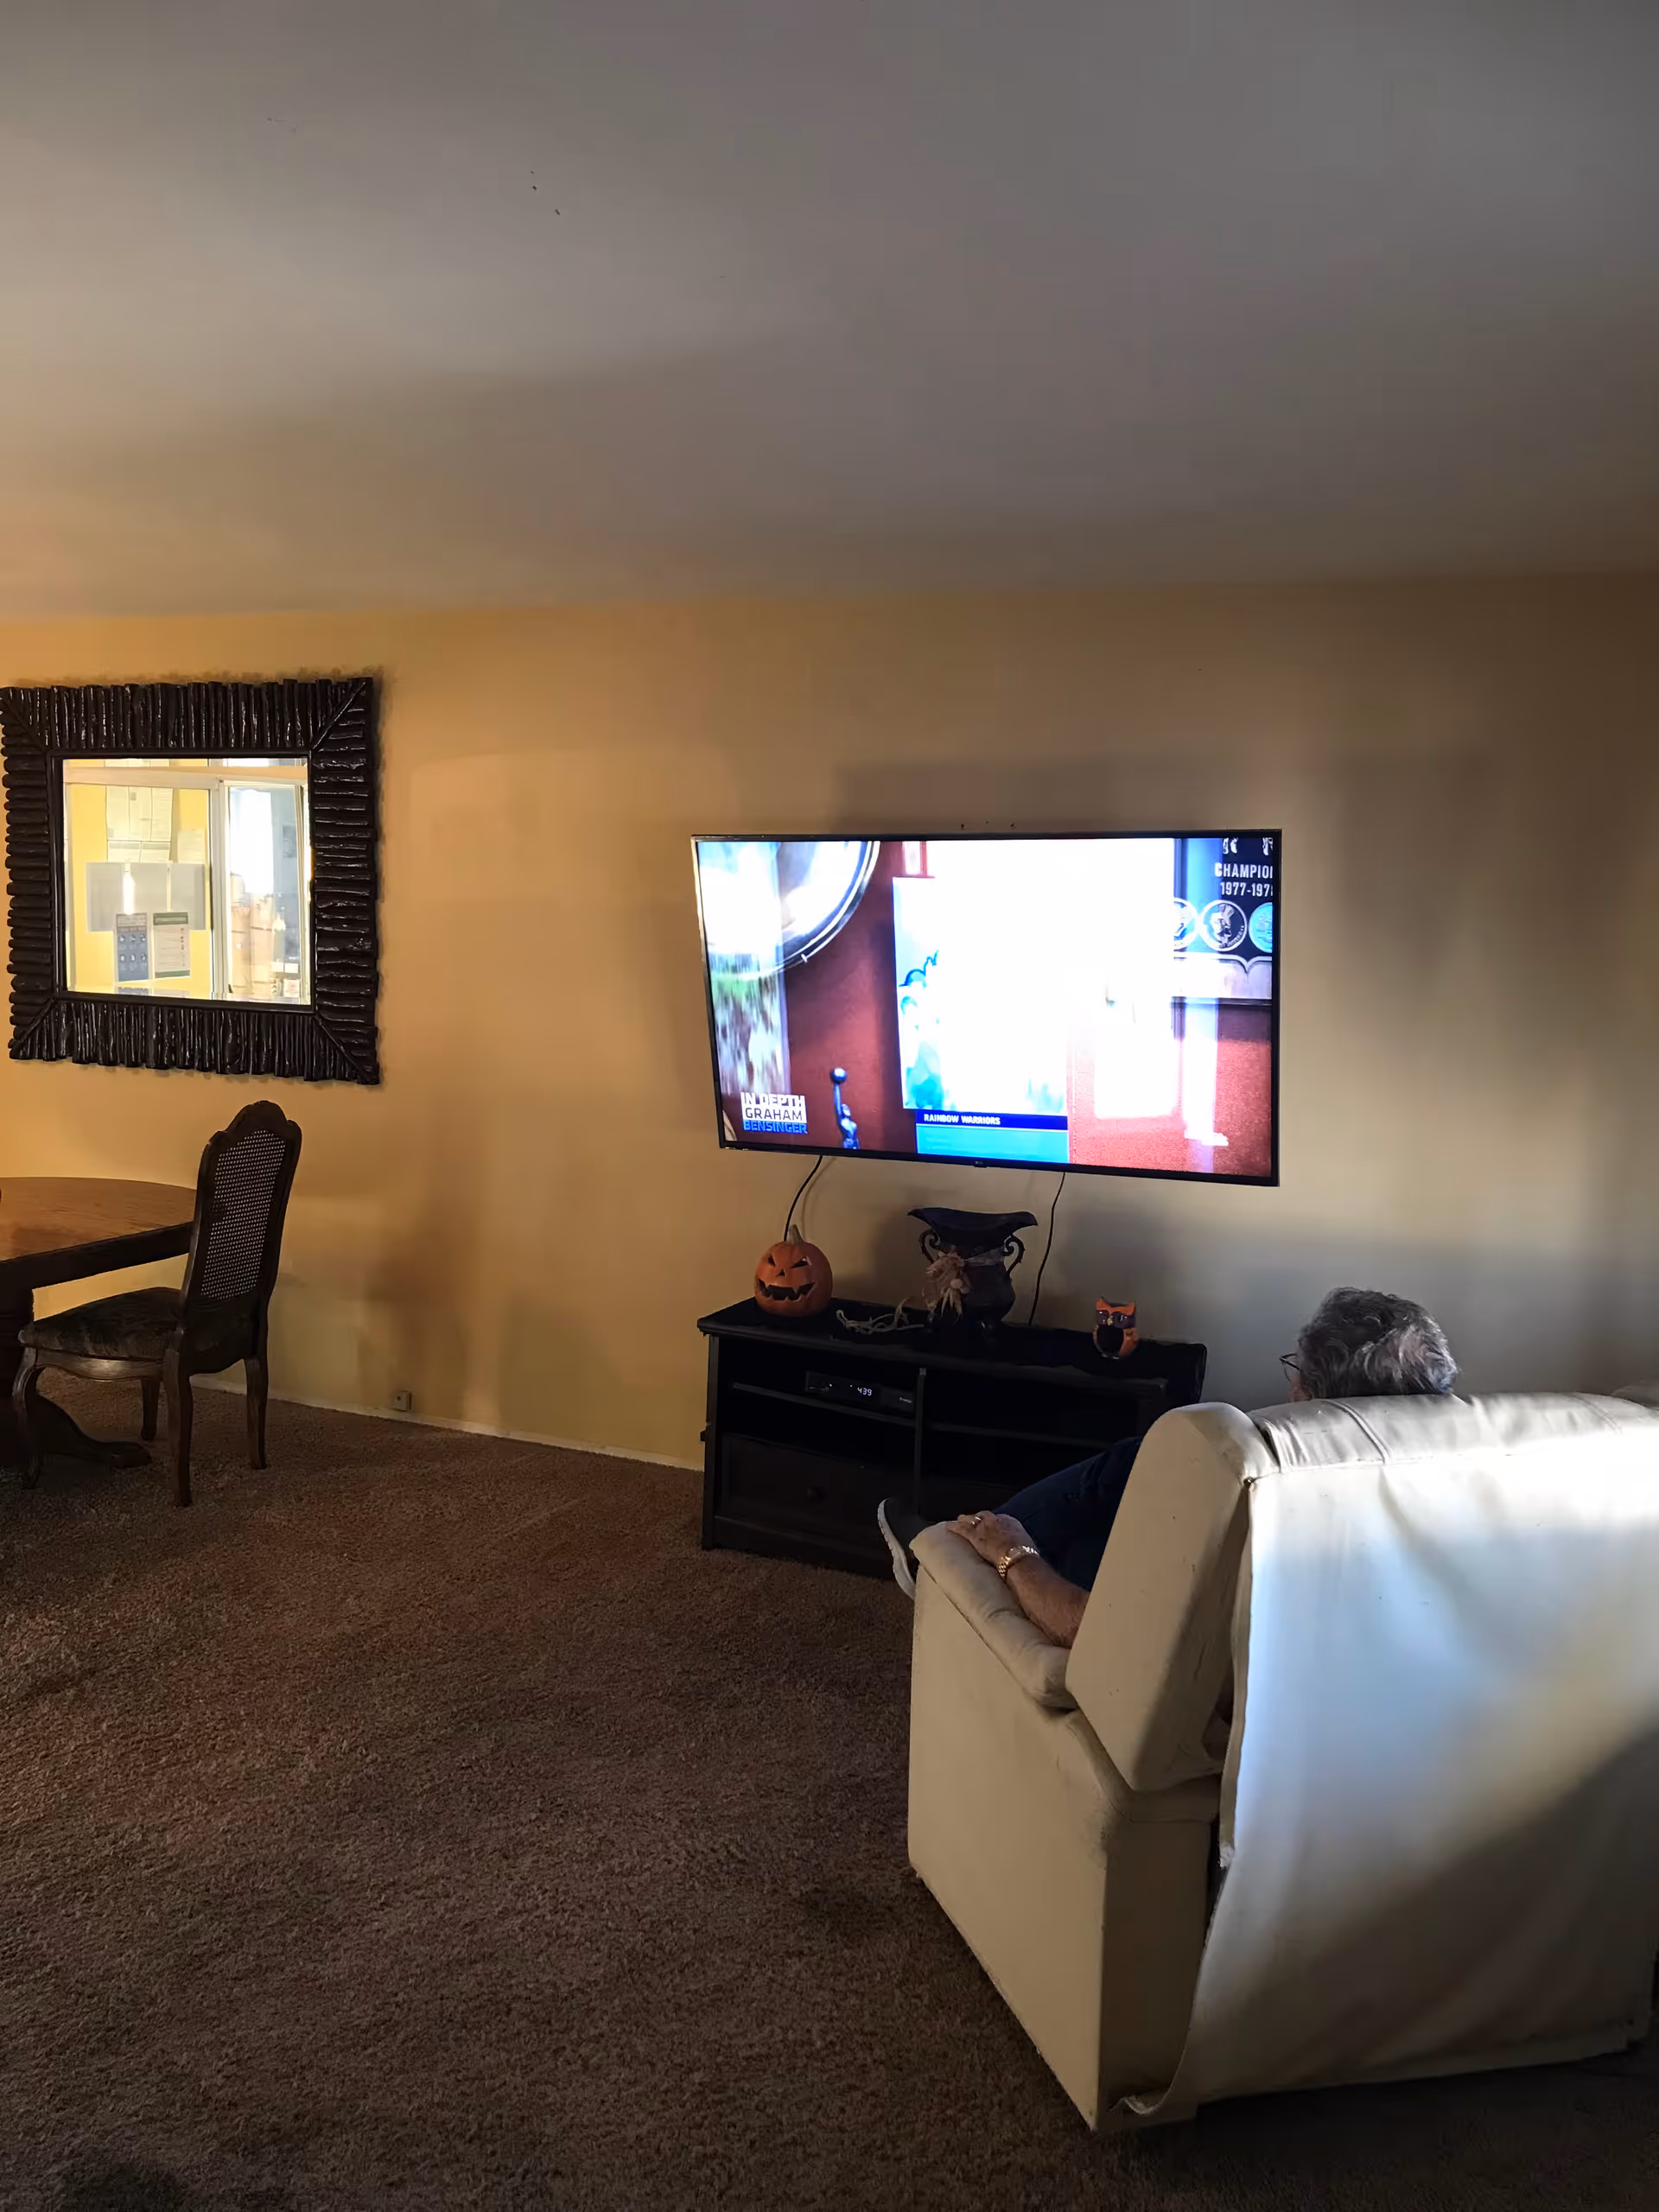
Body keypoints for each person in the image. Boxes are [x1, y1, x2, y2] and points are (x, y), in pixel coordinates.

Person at [876, 1286, 1459, 1648]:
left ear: (1314, 1397)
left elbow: (1089, 1630)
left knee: (1127, 1478)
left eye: (1295, 1369)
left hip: (1108, 1615)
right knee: (1133, 1467)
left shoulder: (1260, 1507)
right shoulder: (1463, 1494)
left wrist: (1012, 1549)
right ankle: (956, 1543)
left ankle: (950, 1560)